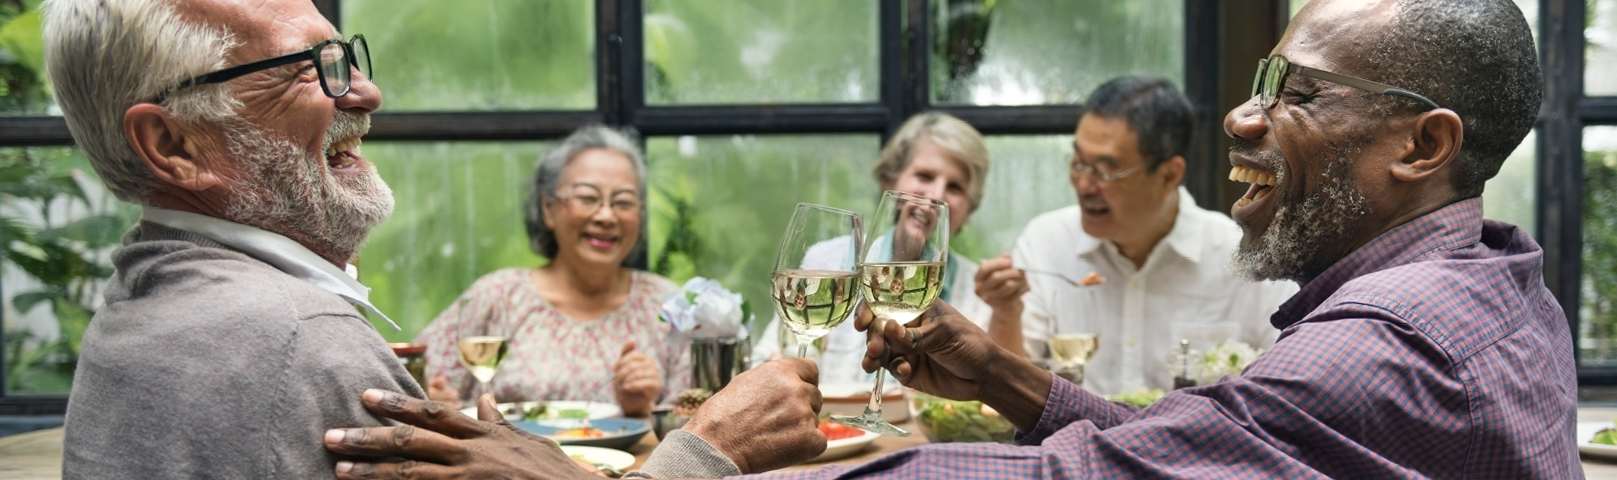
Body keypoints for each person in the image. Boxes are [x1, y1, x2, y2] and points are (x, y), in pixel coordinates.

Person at [321, 0, 1576, 477]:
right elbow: (1219, 445)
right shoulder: (1490, 289)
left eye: (1294, 91)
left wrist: (687, 468)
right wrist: (1003, 376)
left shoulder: (1388, 350)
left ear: (1421, 147)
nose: (1247, 110)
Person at [42, 0, 415, 477]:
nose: (367, 92)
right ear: (173, 145)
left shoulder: (134, 302)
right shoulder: (301, 335)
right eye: (305, 68)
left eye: (339, 56)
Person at [973, 76, 1297, 395]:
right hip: (1069, 445)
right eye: (1078, 163)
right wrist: (1006, 311)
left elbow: (1282, 393)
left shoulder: (1245, 257)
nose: (1084, 185)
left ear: (1169, 175)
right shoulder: (1047, 242)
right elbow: (1005, 396)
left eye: (1104, 170)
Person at [414, 126, 688, 417]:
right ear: (548, 208)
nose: (607, 216)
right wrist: (432, 400)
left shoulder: (669, 306)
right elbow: (411, 380)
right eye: (587, 197)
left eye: (623, 202)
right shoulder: (498, 296)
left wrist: (642, 409)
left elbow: (694, 425)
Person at [755, 112, 1024, 382]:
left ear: (969, 208)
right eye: (925, 175)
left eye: (955, 187)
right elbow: (767, 356)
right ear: (890, 180)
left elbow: (1006, 393)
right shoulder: (827, 260)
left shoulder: (982, 291)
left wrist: (1007, 311)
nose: (936, 196)